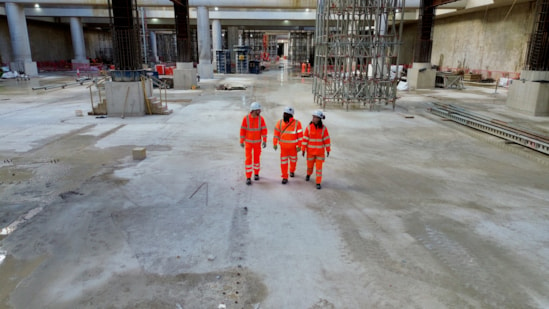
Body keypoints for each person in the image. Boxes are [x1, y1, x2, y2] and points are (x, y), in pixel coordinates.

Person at [273, 106, 303, 184]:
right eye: (284, 113)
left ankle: (292, 171)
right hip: (283, 148)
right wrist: (275, 143)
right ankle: (284, 177)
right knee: (284, 163)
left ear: (291, 115)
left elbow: (300, 136)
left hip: (293, 148)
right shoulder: (279, 123)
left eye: (287, 114)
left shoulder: (297, 123)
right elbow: (276, 134)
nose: (285, 115)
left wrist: (300, 146)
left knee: (293, 161)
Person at [302, 110, 331, 190]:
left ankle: (318, 182)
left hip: (319, 153)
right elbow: (305, 139)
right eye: (313, 117)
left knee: (319, 169)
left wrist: (328, 149)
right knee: (310, 166)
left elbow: (326, 140)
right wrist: (303, 149)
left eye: (315, 117)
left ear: (319, 119)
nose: (313, 118)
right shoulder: (309, 127)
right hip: (310, 152)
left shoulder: (323, 129)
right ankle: (308, 174)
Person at [240, 102, 268, 185]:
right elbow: (243, 130)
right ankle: (248, 177)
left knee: (256, 159)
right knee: (248, 159)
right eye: (258, 110)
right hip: (248, 143)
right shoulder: (246, 119)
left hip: (257, 143)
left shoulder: (261, 119)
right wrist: (242, 141)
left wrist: (265, 140)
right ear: (254, 110)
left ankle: (256, 173)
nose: (260, 111)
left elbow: (264, 130)